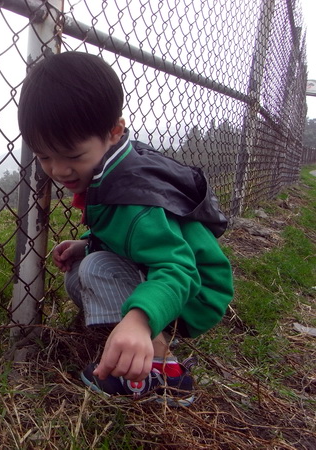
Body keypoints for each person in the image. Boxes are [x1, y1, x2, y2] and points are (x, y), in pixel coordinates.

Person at [17, 51, 234, 407]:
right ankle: (130, 340)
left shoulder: (134, 198)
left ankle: (164, 372)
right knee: (79, 272)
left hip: (195, 292)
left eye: (72, 155)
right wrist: (87, 243)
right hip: (166, 276)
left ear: (114, 131)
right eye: (44, 156)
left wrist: (139, 321)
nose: (58, 169)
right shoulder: (113, 169)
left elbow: (178, 268)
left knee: (97, 269)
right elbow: (126, 237)